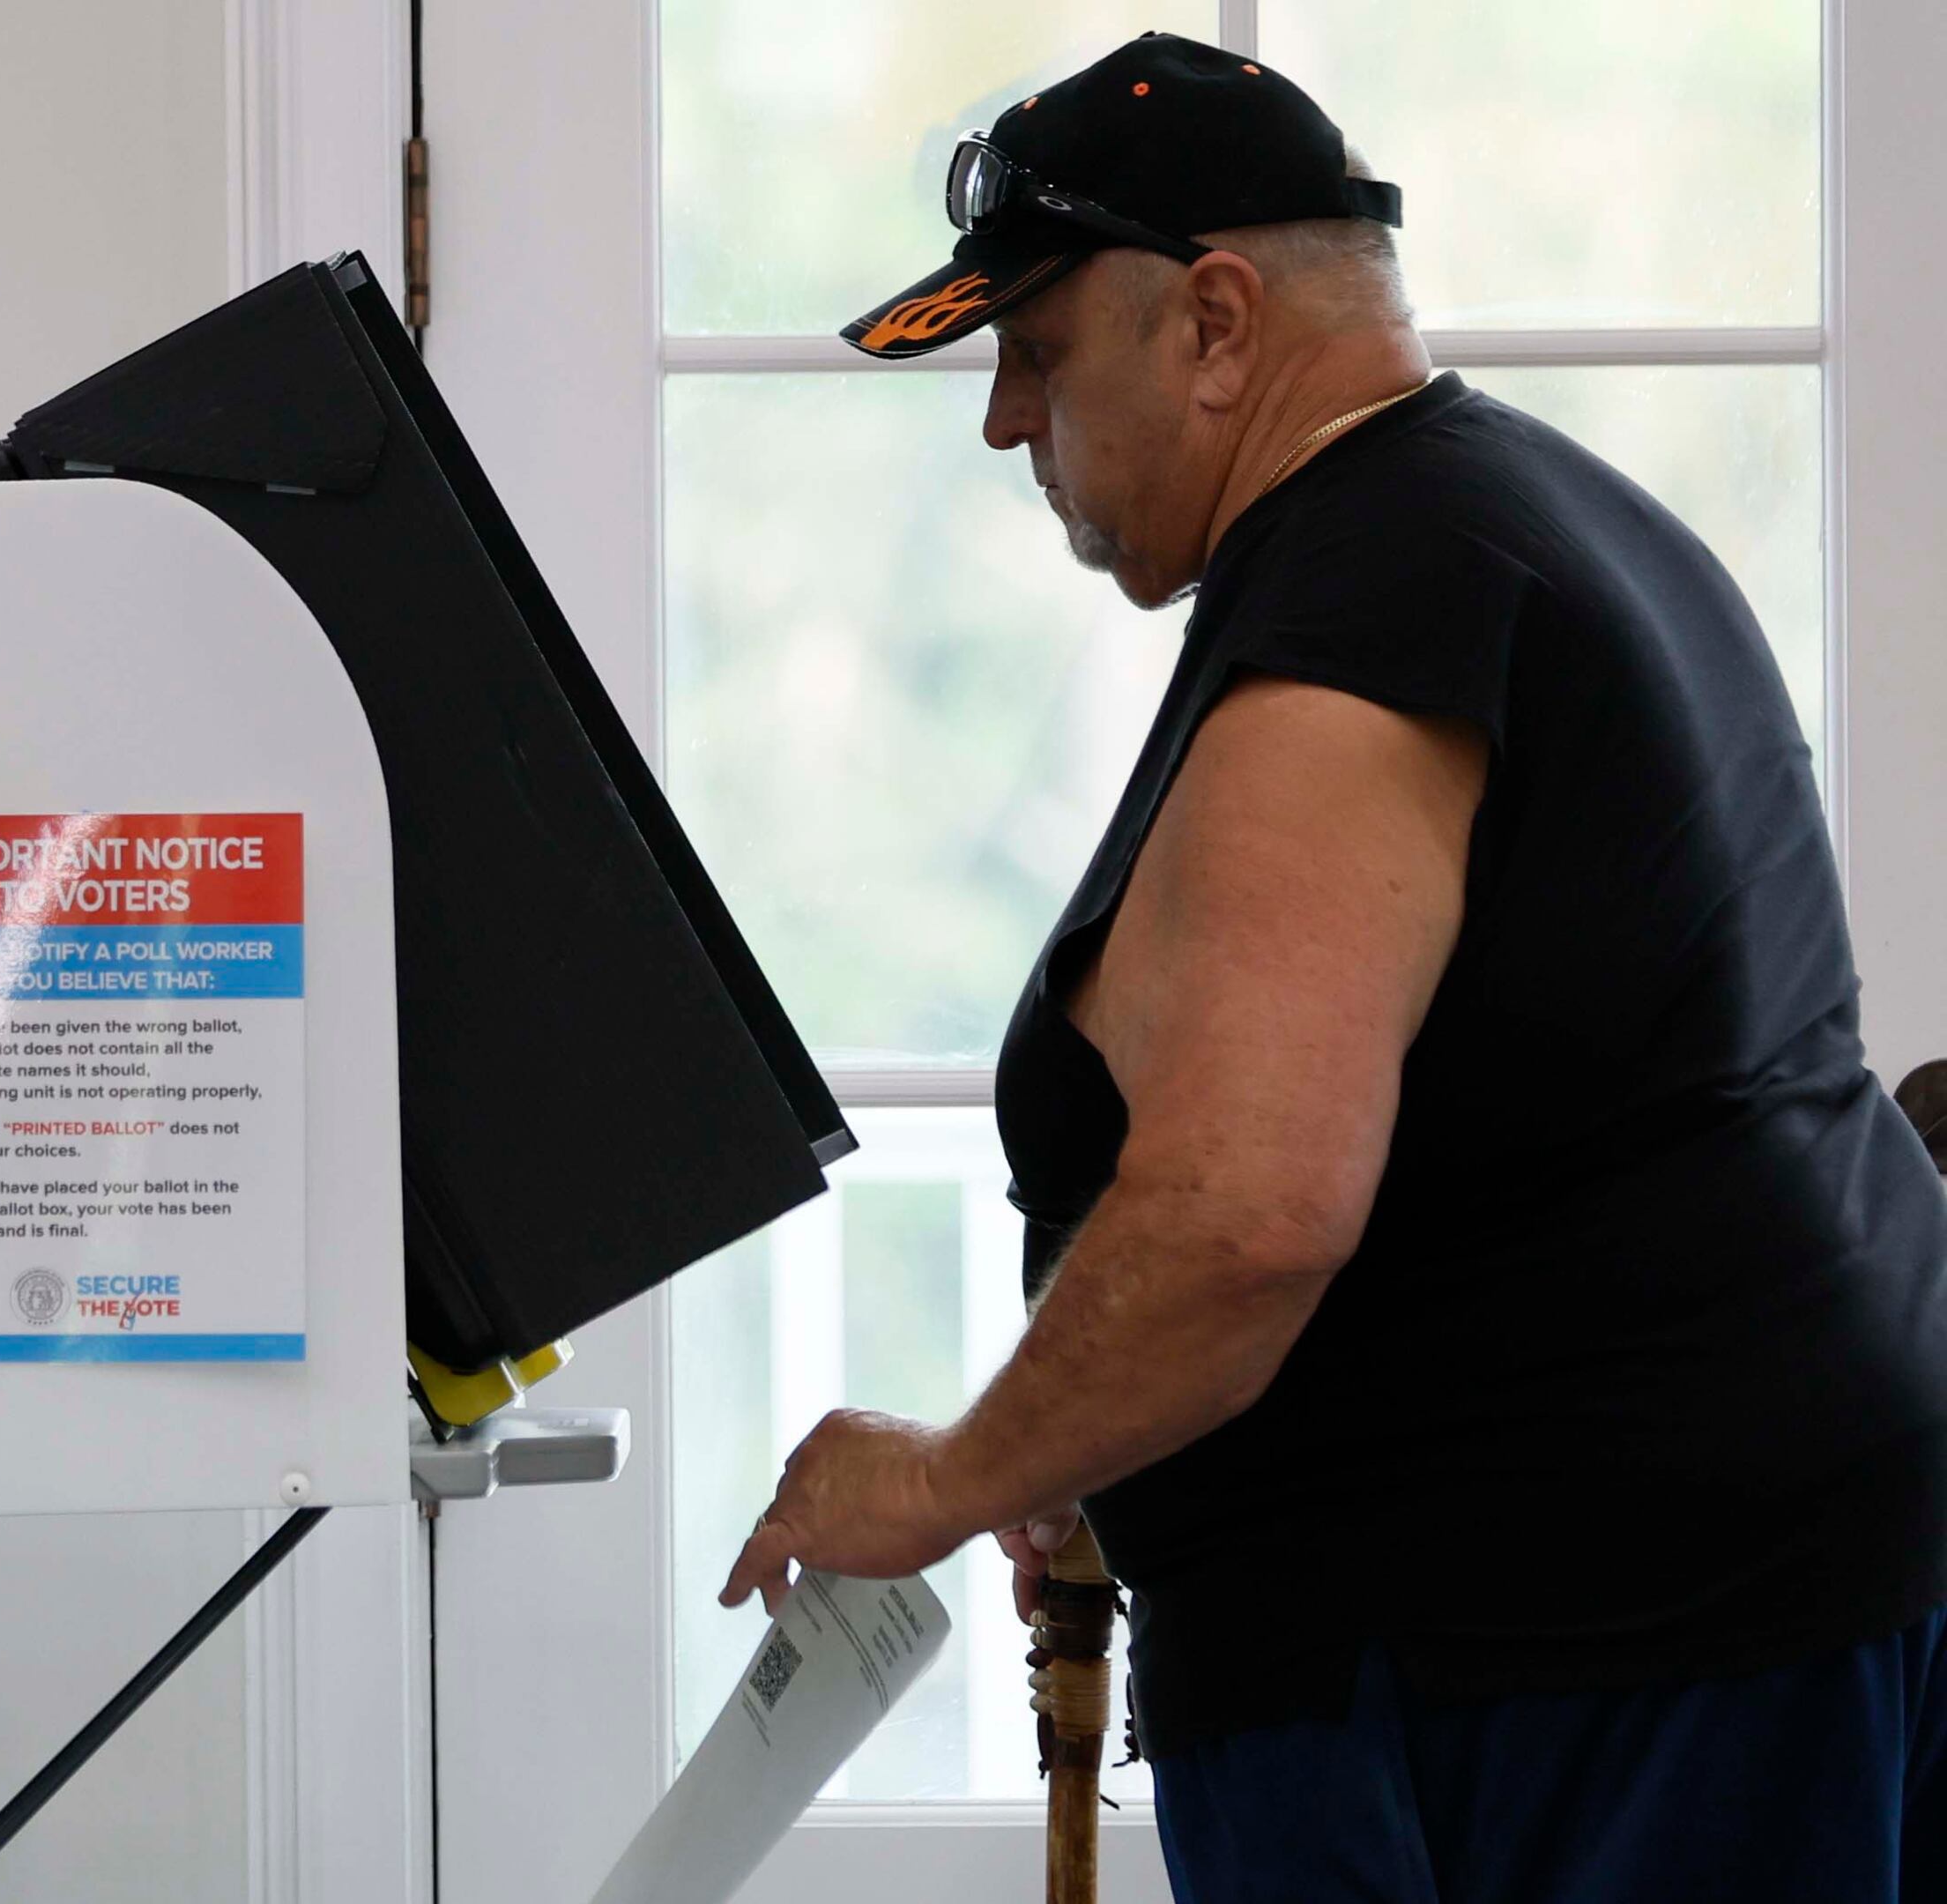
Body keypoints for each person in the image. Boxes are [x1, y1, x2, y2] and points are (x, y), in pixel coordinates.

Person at [716, 33, 1947, 1900]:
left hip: (1571, 1662)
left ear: (1215, 321)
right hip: (1720, 1597)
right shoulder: (1522, 524)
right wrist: (1095, 1432)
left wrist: (951, 1474)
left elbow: (1248, 1213)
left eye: (1038, 351)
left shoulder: (1379, 600)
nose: (1001, 421)